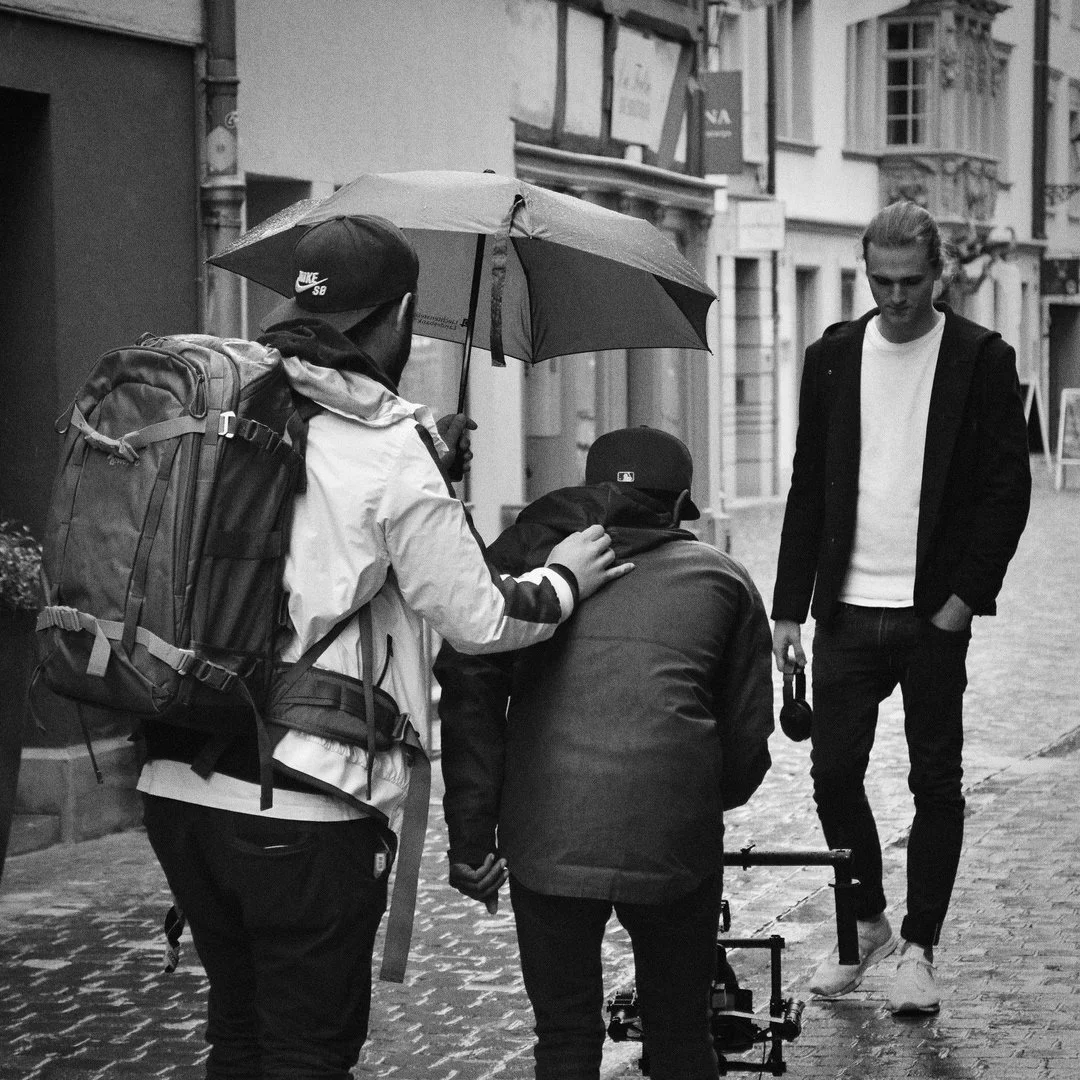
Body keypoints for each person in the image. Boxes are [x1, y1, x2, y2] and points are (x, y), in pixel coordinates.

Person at [137, 214, 631, 1079]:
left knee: (240, 1037)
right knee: (305, 1051)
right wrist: (564, 580)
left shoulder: (235, 404)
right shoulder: (389, 447)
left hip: (178, 784)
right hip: (302, 800)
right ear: (401, 313)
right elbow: (478, 618)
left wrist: (427, 465)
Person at [436, 426, 774, 1080]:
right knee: (680, 1034)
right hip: (671, 834)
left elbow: (470, 691)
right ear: (677, 507)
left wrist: (473, 837)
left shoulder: (533, 576)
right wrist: (695, 800)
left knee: (564, 1036)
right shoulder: (724, 579)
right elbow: (746, 746)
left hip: (547, 835)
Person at [771, 201, 1031, 1015]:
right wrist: (788, 609)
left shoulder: (980, 358)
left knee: (935, 781)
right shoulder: (833, 358)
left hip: (931, 613)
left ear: (938, 274)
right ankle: (868, 923)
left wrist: (963, 601)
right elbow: (808, 484)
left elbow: (1006, 489)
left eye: (910, 281)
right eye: (880, 281)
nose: (894, 297)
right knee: (833, 774)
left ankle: (920, 947)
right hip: (846, 608)